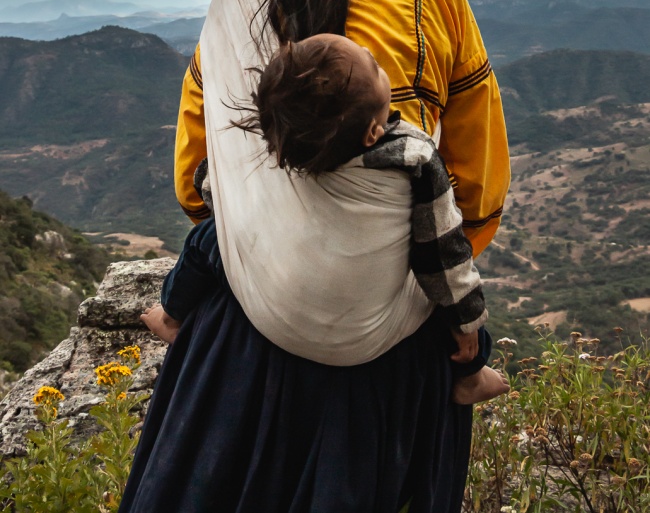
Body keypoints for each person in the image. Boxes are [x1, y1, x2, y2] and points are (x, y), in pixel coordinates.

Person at [119, 0, 510, 513]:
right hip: (393, 358)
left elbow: (195, 180)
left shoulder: (233, 0)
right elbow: (477, 189)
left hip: (242, 336)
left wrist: (270, 246)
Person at [142, 33, 509, 407]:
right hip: (367, 341)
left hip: (278, 323)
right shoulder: (410, 156)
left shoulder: (279, 145)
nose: (371, 51)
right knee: (451, 286)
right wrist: (468, 323)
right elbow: (443, 250)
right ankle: (472, 377)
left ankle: (171, 316)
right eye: (376, 66)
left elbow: (213, 186)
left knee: (207, 236)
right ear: (371, 133)